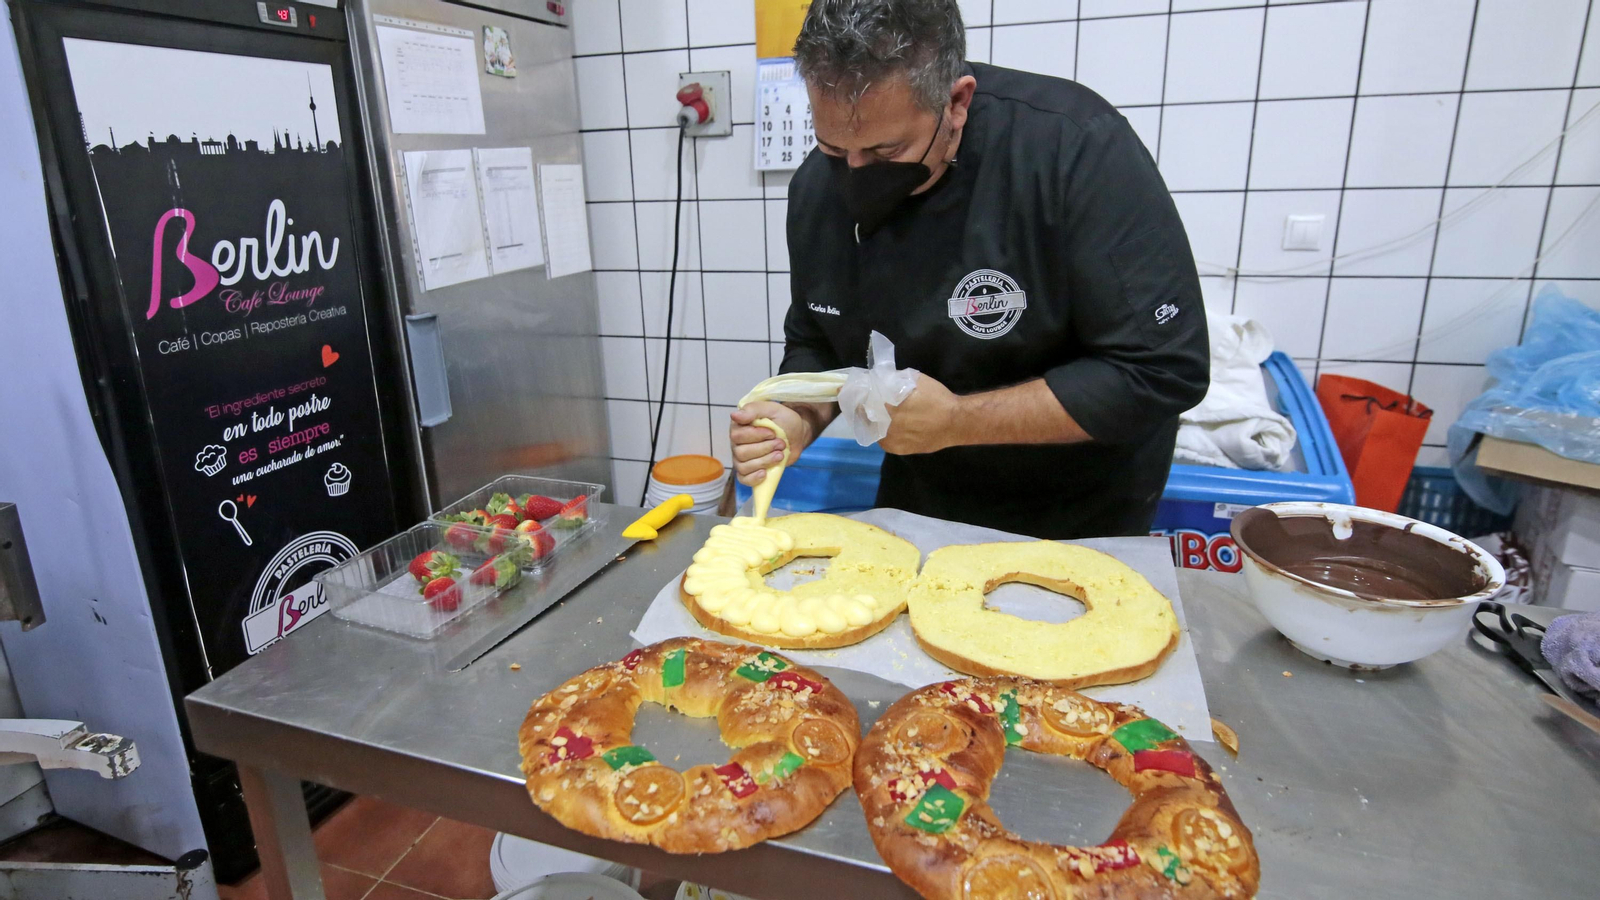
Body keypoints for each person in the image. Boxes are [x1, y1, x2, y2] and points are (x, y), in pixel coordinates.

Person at [729, 0, 1209, 539]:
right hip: (920, 499)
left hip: (1079, 507)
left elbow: (1162, 370)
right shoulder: (818, 191)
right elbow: (820, 339)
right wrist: (797, 417)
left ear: (956, 103)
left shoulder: (1073, 148)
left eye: (888, 151)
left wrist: (958, 419)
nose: (856, 175)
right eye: (833, 148)